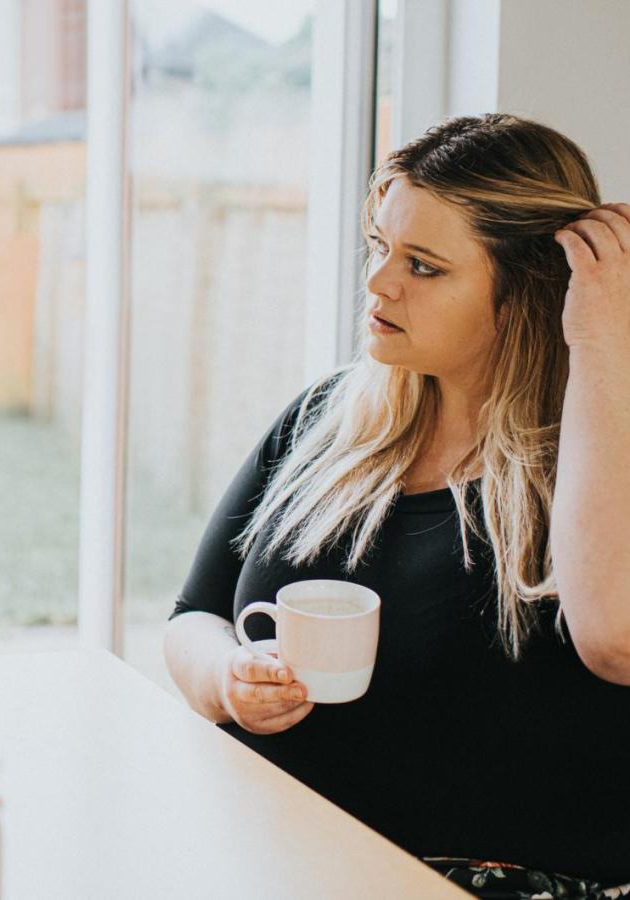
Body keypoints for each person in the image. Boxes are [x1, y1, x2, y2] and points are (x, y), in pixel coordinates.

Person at [164, 113, 630, 899]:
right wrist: (229, 678)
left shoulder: (599, 461)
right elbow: (192, 617)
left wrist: (600, 337)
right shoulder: (325, 419)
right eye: (383, 246)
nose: (379, 282)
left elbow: (614, 640)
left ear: (525, 293)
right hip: (279, 860)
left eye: (424, 265)